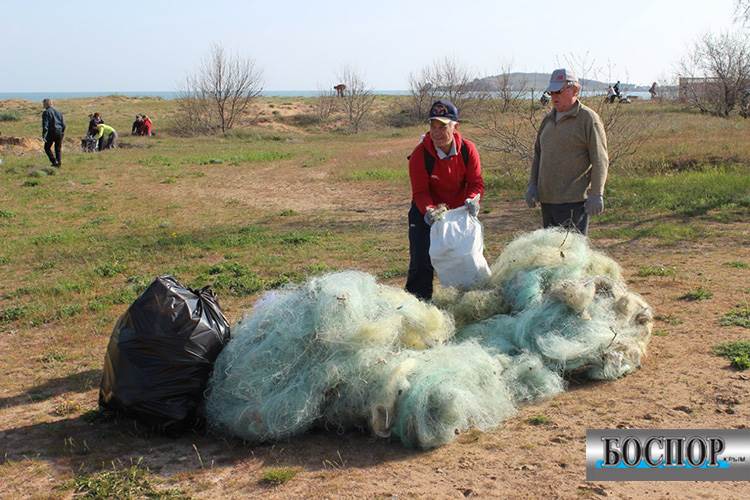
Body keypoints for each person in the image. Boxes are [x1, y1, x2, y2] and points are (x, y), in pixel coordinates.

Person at [406, 99, 484, 300]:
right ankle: (418, 304)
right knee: (421, 262)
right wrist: (430, 210)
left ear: (455, 126)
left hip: (458, 214)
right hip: (426, 214)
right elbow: (420, 192)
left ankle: (466, 300)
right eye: (433, 126)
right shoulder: (420, 155)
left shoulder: (468, 150)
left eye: (443, 127)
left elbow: (476, 183)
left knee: (464, 257)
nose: (437, 132)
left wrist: (472, 200)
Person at [525, 68, 609, 235]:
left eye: (559, 91)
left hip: (574, 202)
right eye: (551, 92)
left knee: (571, 251)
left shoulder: (588, 119)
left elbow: (600, 159)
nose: (554, 96)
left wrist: (597, 193)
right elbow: (538, 155)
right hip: (547, 200)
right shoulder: (548, 120)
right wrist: (533, 185)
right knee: (550, 250)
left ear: (575, 90)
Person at [41, 98, 65, 167]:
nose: (43, 105)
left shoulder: (46, 112)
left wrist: (44, 135)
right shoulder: (58, 112)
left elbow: (45, 125)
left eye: (43, 104)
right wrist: (62, 132)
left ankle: (54, 161)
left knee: (47, 148)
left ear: (46, 104)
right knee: (58, 148)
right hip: (59, 131)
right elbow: (63, 124)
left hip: (52, 132)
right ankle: (58, 163)